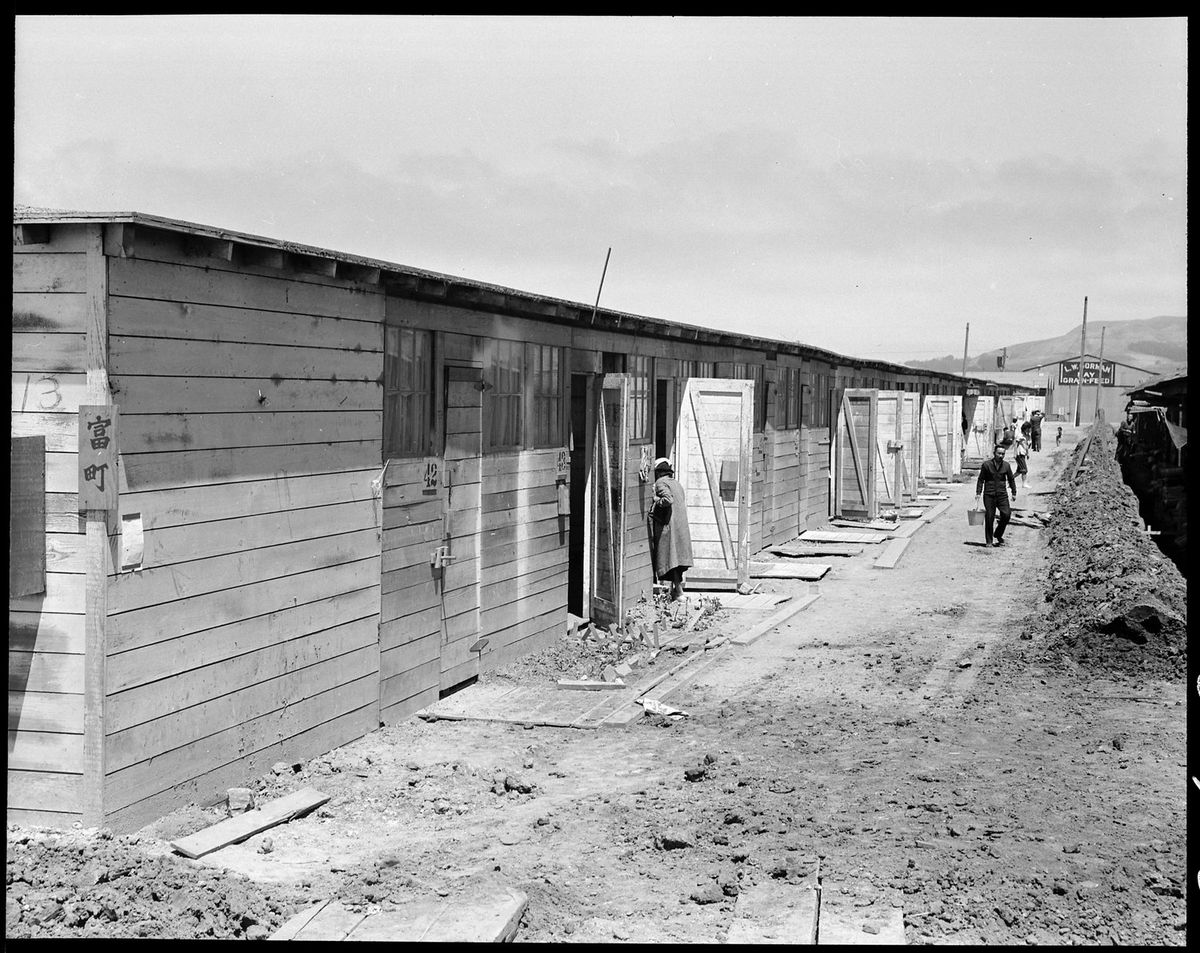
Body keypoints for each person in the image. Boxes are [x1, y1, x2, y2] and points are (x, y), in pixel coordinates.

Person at [648, 457, 693, 600]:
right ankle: (676, 591)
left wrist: (656, 500)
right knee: (677, 560)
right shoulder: (676, 483)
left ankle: (679, 592)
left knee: (670, 558)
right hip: (679, 527)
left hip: (669, 528)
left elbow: (668, 500)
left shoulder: (661, 483)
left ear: (659, 472)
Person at [974, 442, 1017, 547]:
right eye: (999, 453)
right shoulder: (986, 465)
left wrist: (1014, 492)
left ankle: (998, 533)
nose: (1001, 456)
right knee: (990, 517)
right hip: (989, 494)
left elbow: (1011, 479)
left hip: (1002, 494)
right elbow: (981, 479)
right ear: (994, 453)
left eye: (1003, 454)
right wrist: (978, 492)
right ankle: (989, 541)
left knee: (1006, 514)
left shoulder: (1006, 465)